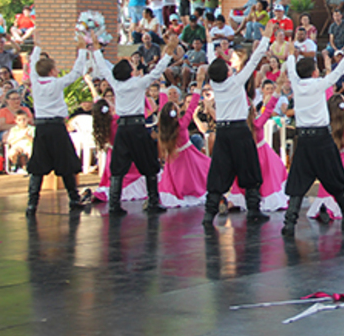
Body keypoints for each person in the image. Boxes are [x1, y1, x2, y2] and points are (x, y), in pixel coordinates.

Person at [280, 31, 344, 236]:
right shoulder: (319, 85)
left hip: (304, 138)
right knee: (335, 177)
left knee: (298, 180)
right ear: (314, 73)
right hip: (321, 138)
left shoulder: (295, 81)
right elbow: (341, 69)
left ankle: (290, 222)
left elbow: (291, 65)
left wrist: (292, 53)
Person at [200, 22, 275, 228]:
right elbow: (254, 60)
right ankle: (254, 211)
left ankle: (209, 213)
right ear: (226, 72)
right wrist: (267, 38)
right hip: (240, 131)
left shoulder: (215, 83)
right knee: (249, 169)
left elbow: (210, 62)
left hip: (223, 131)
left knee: (219, 171)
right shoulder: (235, 81)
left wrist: (209, 43)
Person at [94, 35, 178, 215]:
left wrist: (95, 49)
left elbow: (102, 67)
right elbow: (156, 72)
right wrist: (168, 53)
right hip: (137, 127)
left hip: (123, 128)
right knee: (148, 163)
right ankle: (153, 201)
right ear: (131, 72)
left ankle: (114, 204)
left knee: (118, 166)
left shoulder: (116, 84)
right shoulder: (139, 83)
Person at [21, 41, 90, 214]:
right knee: (65, 162)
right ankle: (73, 198)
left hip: (42, 128)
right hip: (57, 127)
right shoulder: (57, 83)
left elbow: (32, 66)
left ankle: (32, 203)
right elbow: (76, 72)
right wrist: (82, 51)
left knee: (38, 165)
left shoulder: (35, 83)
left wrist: (37, 47)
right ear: (52, 71)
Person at [229, 73, 289, 213]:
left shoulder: (240, 126)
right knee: (270, 174)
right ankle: (265, 198)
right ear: (253, 110)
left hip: (246, 154)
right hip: (263, 155)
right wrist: (278, 88)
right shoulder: (257, 123)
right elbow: (269, 109)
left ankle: (237, 201)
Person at [157, 74, 210, 208]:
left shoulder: (163, 127)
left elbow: (162, 106)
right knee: (202, 169)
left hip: (173, 157)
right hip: (187, 156)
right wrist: (198, 85)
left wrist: (163, 86)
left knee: (177, 177)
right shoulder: (181, 125)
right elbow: (192, 107)